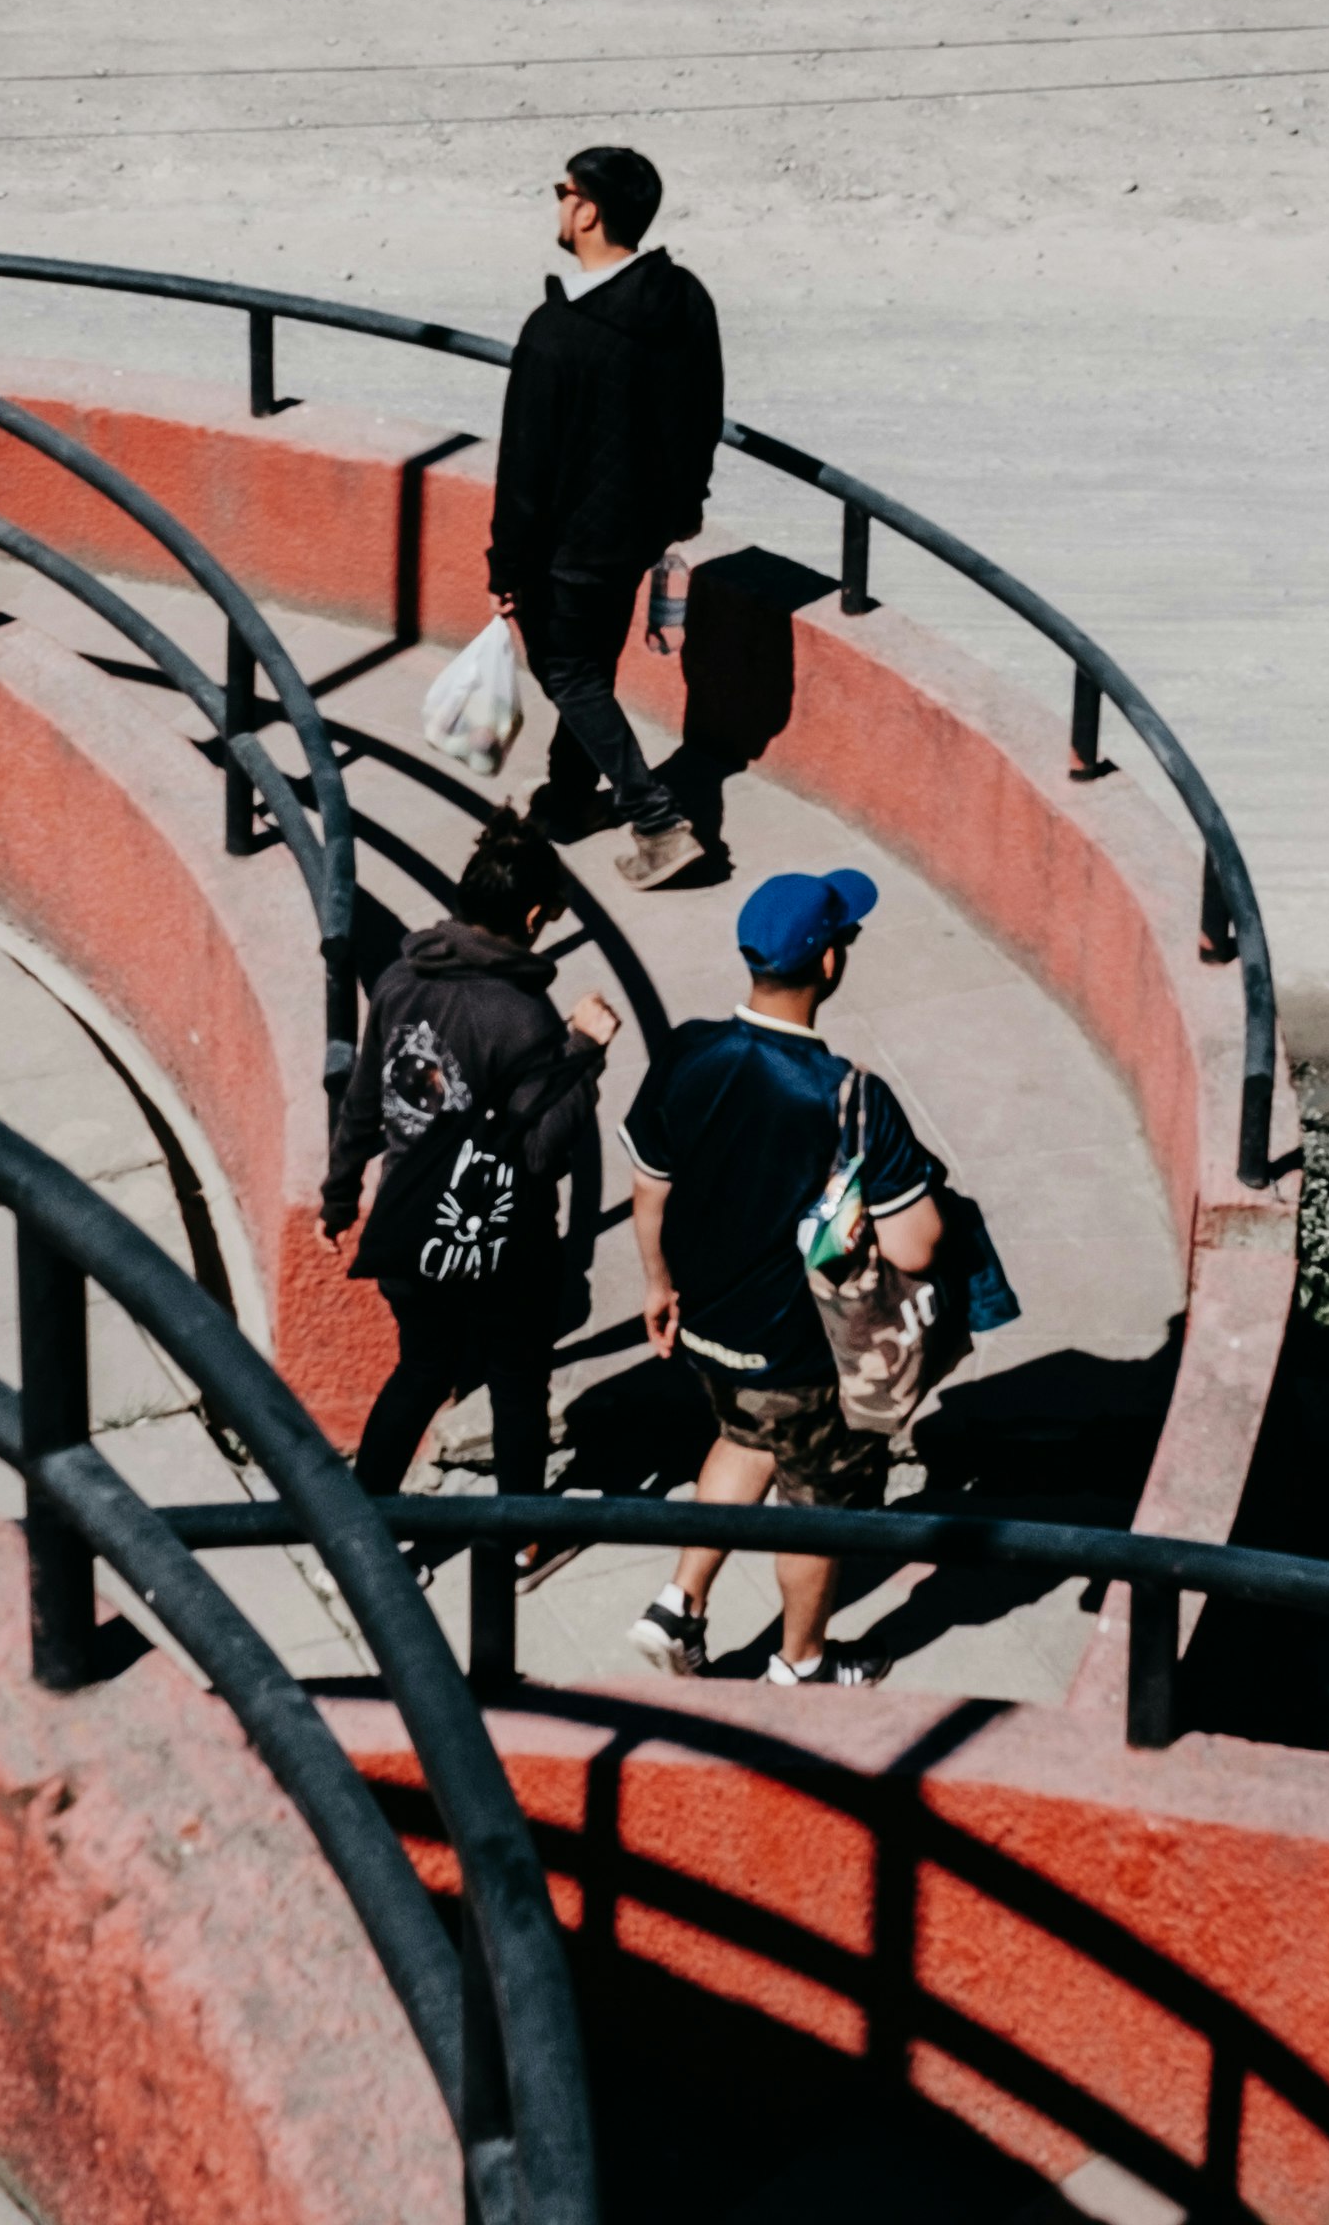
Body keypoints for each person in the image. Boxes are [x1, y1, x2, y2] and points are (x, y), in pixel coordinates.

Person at [623, 867, 943, 1687]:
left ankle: (677, 1607)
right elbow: (918, 1247)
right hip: (802, 1355)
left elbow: (648, 1190)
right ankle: (800, 1665)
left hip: (708, 1328)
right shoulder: (850, 1098)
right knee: (817, 1512)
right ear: (830, 964)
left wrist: (657, 1287)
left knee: (740, 1439)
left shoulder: (688, 1051)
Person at [322, 809, 619, 1509]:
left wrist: (338, 1197)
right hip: (500, 1245)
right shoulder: (523, 1017)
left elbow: (364, 1099)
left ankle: (365, 1528)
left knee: (421, 1370)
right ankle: (521, 1538)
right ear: (538, 914)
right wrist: (584, 1053)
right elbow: (541, 1151)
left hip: (406, 1226)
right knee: (517, 1384)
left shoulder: (398, 979)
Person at [489, 146, 723, 893]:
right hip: (639, 534)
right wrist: (680, 510)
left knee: (567, 672)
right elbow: (704, 417)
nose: (558, 206)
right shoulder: (684, 298)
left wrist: (506, 565)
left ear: (587, 209)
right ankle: (564, 799)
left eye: (562, 193)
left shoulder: (556, 333)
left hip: (567, 546)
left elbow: (524, 468)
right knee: (591, 665)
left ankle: (656, 818)